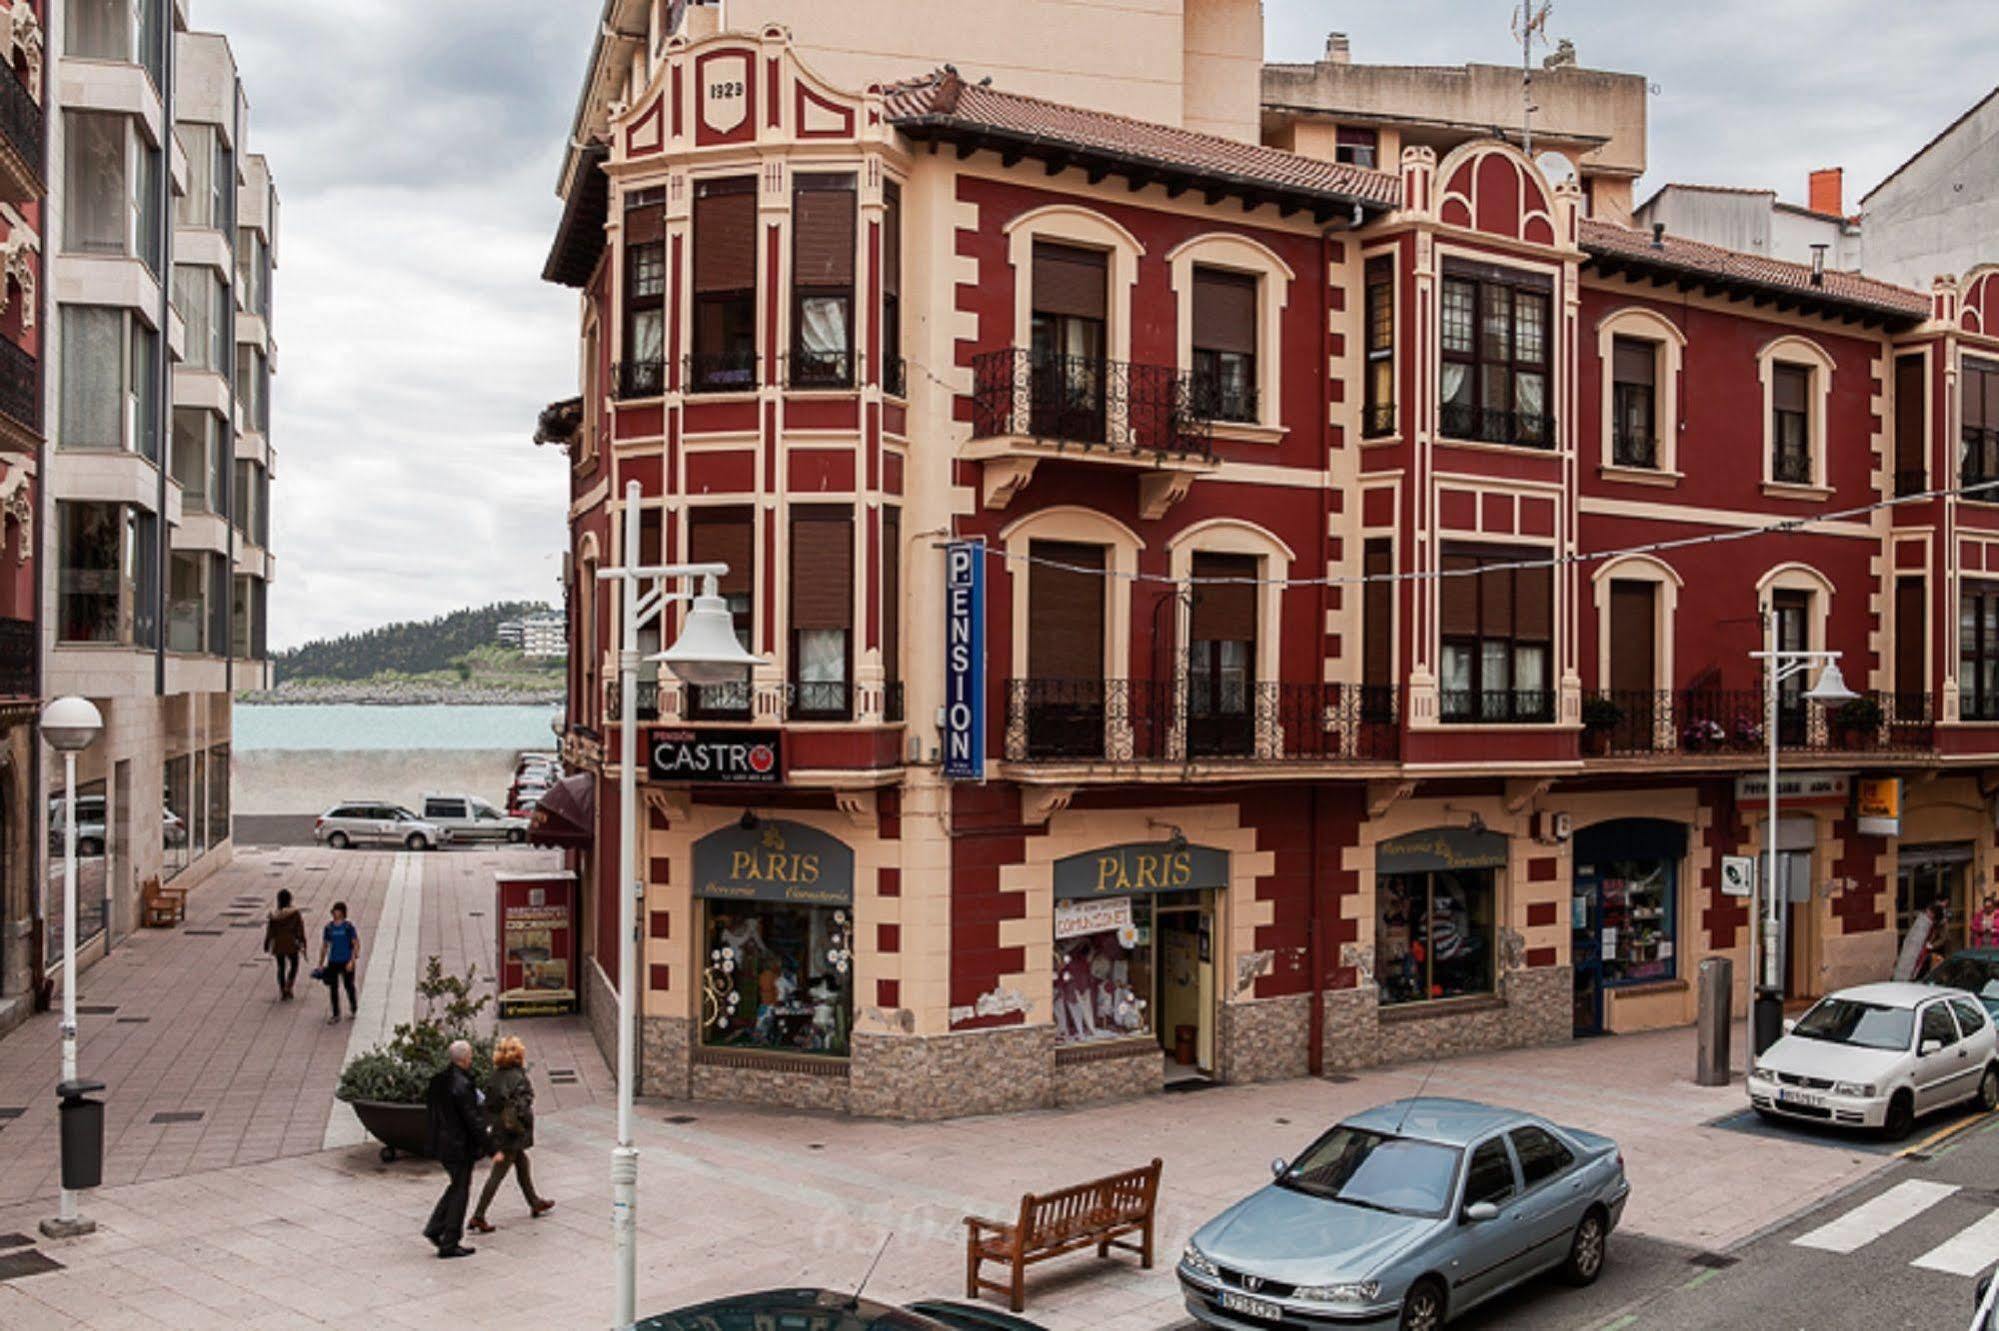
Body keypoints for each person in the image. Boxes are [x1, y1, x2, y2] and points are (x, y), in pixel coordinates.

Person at [423, 1039, 501, 1259]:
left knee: (455, 1185)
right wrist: (491, 1148)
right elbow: (473, 1121)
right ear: (465, 1059)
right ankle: (450, 1241)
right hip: (458, 1146)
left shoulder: (441, 1080)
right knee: (460, 1191)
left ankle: (435, 1227)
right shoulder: (462, 1085)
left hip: (443, 1143)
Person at [468, 1036, 554, 1233]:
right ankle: (478, 1215)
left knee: (522, 1163)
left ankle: (534, 1201)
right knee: (498, 1173)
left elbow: (488, 1105)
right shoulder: (519, 1078)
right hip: (512, 1133)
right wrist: (523, 1122)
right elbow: (523, 1106)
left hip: (499, 1130)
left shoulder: (495, 1077)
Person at [318, 901, 360, 1024]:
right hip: (333, 961)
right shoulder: (329, 928)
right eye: (334, 911)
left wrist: (352, 960)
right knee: (333, 988)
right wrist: (321, 963)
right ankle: (336, 1013)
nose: (335, 913)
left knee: (349, 986)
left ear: (342, 912)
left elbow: (355, 944)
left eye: (337, 911)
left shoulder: (348, 927)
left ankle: (353, 1008)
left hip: (346, 960)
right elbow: (325, 946)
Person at [262, 889, 307, 1001]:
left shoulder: (274, 915)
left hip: (278, 943)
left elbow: (270, 931)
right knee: (294, 964)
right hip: (291, 942)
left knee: (281, 967)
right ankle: (289, 986)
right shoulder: (295, 913)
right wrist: (302, 942)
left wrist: (267, 943)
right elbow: (300, 929)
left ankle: (282, 990)